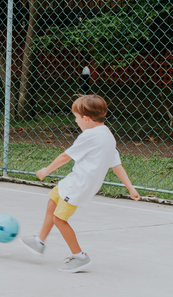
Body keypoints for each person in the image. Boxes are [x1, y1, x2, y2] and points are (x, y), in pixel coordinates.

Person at [20, 94, 139, 272]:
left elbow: (65, 156)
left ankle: (80, 256)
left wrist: (46, 170)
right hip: (75, 180)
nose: (75, 121)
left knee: (59, 219)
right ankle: (39, 241)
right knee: (53, 200)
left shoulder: (89, 135)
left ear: (86, 118)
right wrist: (130, 187)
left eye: (76, 117)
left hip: (79, 185)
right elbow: (116, 165)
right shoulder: (107, 135)